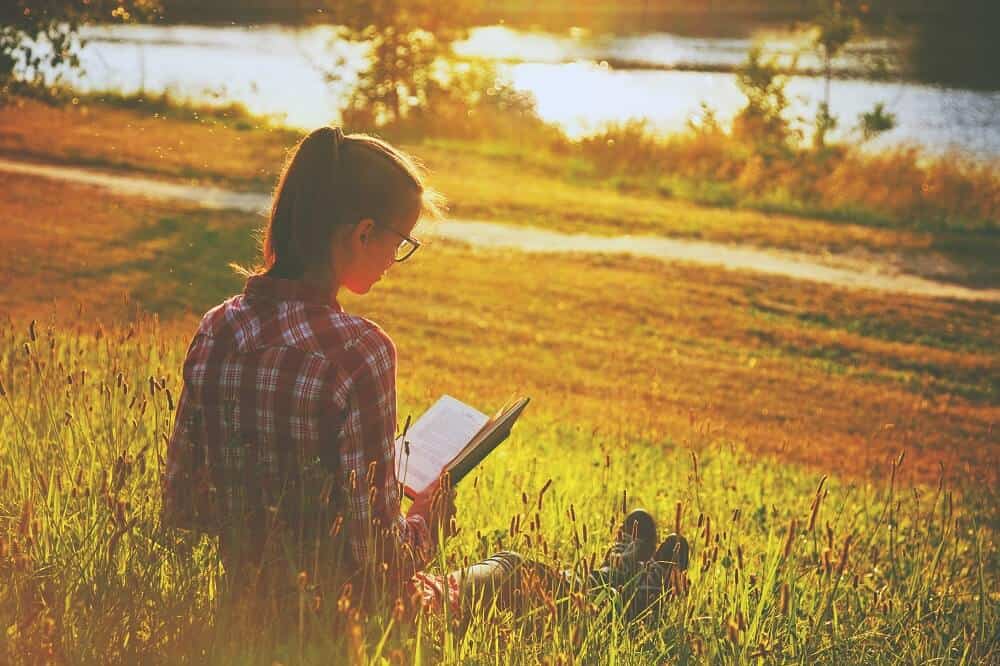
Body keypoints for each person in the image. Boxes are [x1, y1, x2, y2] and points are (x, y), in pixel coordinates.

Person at [160, 126, 688, 624]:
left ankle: (625, 580)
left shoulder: (217, 328)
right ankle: (630, 589)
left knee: (511, 573)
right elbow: (378, 569)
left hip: (250, 605)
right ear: (363, 233)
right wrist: (427, 522)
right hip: (361, 619)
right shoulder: (358, 352)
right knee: (509, 570)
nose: (395, 259)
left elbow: (183, 504)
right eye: (399, 243)